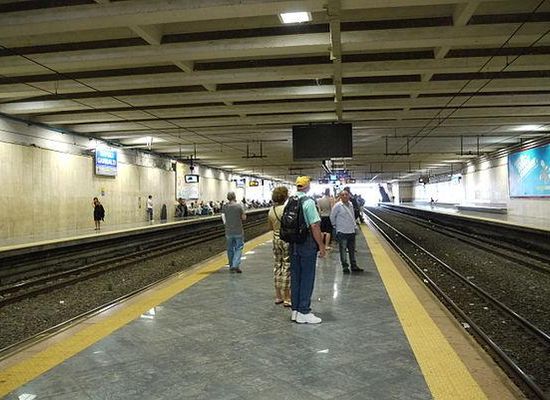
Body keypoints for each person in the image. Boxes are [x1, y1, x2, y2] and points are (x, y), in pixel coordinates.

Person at [290, 176, 326, 324]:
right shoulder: (308, 202)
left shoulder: (290, 201)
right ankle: (304, 311)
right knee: (307, 277)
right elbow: (315, 226)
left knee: (296, 277)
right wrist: (321, 245)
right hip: (306, 244)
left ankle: (295, 310)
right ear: (307, 187)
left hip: (293, 244)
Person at [267, 186, 291, 307]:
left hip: (275, 240)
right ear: (285, 196)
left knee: (277, 265)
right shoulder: (286, 209)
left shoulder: (271, 210)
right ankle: (287, 297)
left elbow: (270, 227)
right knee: (287, 266)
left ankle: (278, 296)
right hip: (285, 240)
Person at [330, 190, 364, 274]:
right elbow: (332, 217)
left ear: (349, 196)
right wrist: (336, 226)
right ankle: (345, 267)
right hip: (342, 232)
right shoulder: (337, 206)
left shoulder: (351, 205)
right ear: (340, 196)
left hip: (351, 231)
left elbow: (353, 217)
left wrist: (354, 227)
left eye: (346, 194)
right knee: (343, 250)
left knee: (352, 250)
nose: (345, 196)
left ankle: (354, 266)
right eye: (343, 195)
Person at [222, 191, 246, 273]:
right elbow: (244, 218)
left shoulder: (224, 207)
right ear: (234, 197)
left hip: (228, 231)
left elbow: (223, 218)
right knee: (239, 247)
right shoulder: (239, 206)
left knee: (230, 249)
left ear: (228, 198)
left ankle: (231, 265)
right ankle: (235, 265)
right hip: (238, 231)